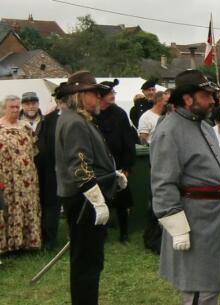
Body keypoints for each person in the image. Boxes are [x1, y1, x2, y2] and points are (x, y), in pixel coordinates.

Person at [151, 70, 220, 305]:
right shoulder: (169, 130)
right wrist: (177, 227)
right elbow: (163, 183)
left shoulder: (204, 125)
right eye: (206, 95)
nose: (212, 100)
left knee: (211, 284)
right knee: (197, 288)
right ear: (187, 98)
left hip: (214, 217)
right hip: (192, 220)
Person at [55, 71, 127, 305]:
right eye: (94, 93)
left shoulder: (75, 118)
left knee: (88, 262)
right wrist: (97, 200)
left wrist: (110, 175)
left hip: (84, 197)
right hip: (84, 200)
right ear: (79, 95)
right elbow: (79, 165)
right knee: (87, 264)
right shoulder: (74, 121)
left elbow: (87, 160)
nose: (98, 97)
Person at [96, 79, 137, 243]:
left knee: (122, 201)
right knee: (101, 200)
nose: (113, 96)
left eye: (113, 93)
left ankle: (124, 233)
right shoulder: (92, 114)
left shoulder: (120, 114)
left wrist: (126, 165)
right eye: (110, 93)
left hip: (118, 164)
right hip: (99, 165)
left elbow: (128, 141)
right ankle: (102, 232)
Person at [0, 95, 42, 254]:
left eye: (17, 107)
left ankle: (28, 243)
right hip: (5, 176)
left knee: (27, 206)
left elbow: (35, 150)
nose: (16, 110)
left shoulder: (26, 127)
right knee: (8, 207)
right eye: (12, 107)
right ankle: (9, 246)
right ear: (4, 108)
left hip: (26, 177)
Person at [36, 86, 65, 250]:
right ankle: (49, 241)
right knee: (52, 207)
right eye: (58, 99)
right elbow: (43, 146)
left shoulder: (77, 117)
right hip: (52, 171)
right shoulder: (48, 120)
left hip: (71, 169)